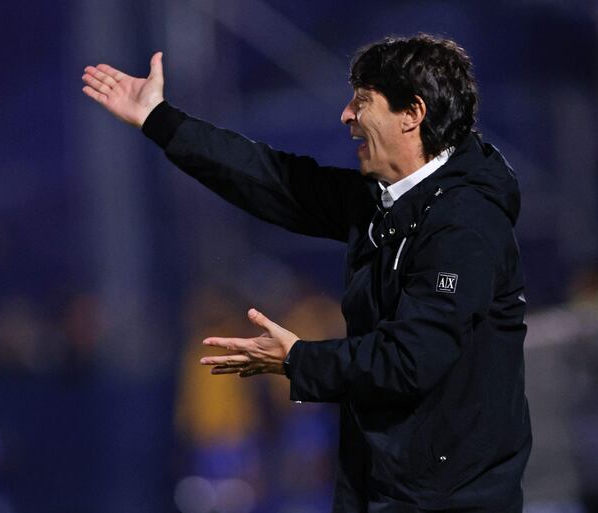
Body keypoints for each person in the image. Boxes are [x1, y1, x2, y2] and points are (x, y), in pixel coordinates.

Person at [82, 34, 532, 513]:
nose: (346, 115)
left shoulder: (466, 223)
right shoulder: (389, 202)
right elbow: (272, 179)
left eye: (363, 100)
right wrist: (161, 121)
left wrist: (298, 360)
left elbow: (412, 359)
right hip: (386, 490)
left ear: (413, 112)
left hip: (449, 502)